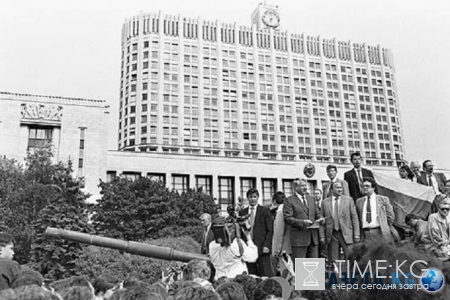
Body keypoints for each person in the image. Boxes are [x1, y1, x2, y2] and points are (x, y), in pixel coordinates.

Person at [283, 178, 324, 263]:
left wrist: (320, 219)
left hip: (313, 239)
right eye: (302, 186)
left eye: (306, 185)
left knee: (314, 267)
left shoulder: (311, 199)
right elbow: (287, 218)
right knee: (300, 268)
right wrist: (302, 222)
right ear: (295, 187)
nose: (305, 188)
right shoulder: (289, 200)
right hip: (299, 240)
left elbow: (317, 213)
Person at [321, 181, 360, 267]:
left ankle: (350, 277)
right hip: (332, 234)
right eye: (337, 188)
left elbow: (355, 218)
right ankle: (337, 277)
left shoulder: (349, 200)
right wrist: (322, 236)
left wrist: (356, 234)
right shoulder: (324, 202)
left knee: (350, 257)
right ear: (331, 190)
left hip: (346, 234)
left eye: (341, 187)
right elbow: (321, 221)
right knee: (334, 259)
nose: (340, 189)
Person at [239, 188, 273, 277]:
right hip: (248, 247)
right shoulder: (242, 212)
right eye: (250, 197)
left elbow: (270, 230)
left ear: (257, 197)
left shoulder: (265, 211)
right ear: (247, 198)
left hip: (262, 247)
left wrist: (267, 245)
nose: (252, 199)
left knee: (265, 274)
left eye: (254, 197)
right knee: (251, 274)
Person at [355, 177, 394, 244]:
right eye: (363, 186)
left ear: (373, 187)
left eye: (367, 186)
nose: (365, 188)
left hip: (379, 231)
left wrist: (385, 227)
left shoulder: (383, 199)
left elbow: (390, 216)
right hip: (365, 233)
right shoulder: (359, 201)